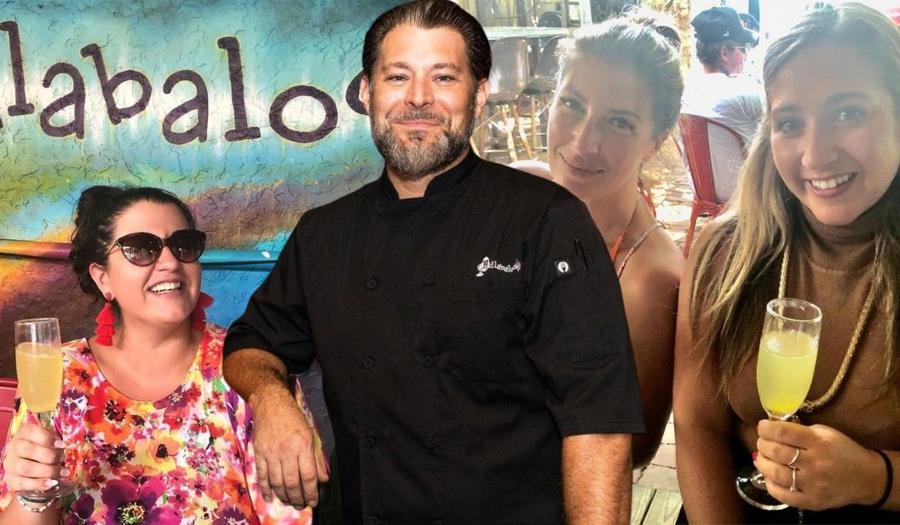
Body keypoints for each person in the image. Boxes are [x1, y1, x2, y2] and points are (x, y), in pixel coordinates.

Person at [223, 1, 644, 523]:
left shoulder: (547, 222)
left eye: (443, 77)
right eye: (397, 77)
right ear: (367, 93)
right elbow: (252, 342)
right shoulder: (324, 233)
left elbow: (598, 424)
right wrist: (272, 400)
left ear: (479, 94)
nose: (418, 98)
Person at [674, 3, 900, 522]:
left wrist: (874, 477)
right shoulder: (727, 251)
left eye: (848, 113)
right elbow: (696, 424)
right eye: (790, 122)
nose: (815, 155)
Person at [0, 187, 312, 524]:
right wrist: (33, 491)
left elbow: (293, 514)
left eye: (183, 245)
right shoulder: (58, 373)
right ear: (103, 278)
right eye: (140, 249)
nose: (170, 262)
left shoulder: (249, 367)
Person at [512, 9, 683, 468]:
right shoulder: (519, 190)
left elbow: (632, 450)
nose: (583, 142)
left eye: (619, 122)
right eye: (572, 104)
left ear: (656, 139)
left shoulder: (649, 279)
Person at [681, 6, 764, 202]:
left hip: (701, 191)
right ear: (725, 53)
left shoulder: (684, 90)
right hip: (745, 193)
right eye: (742, 49)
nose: (745, 56)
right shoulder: (746, 91)